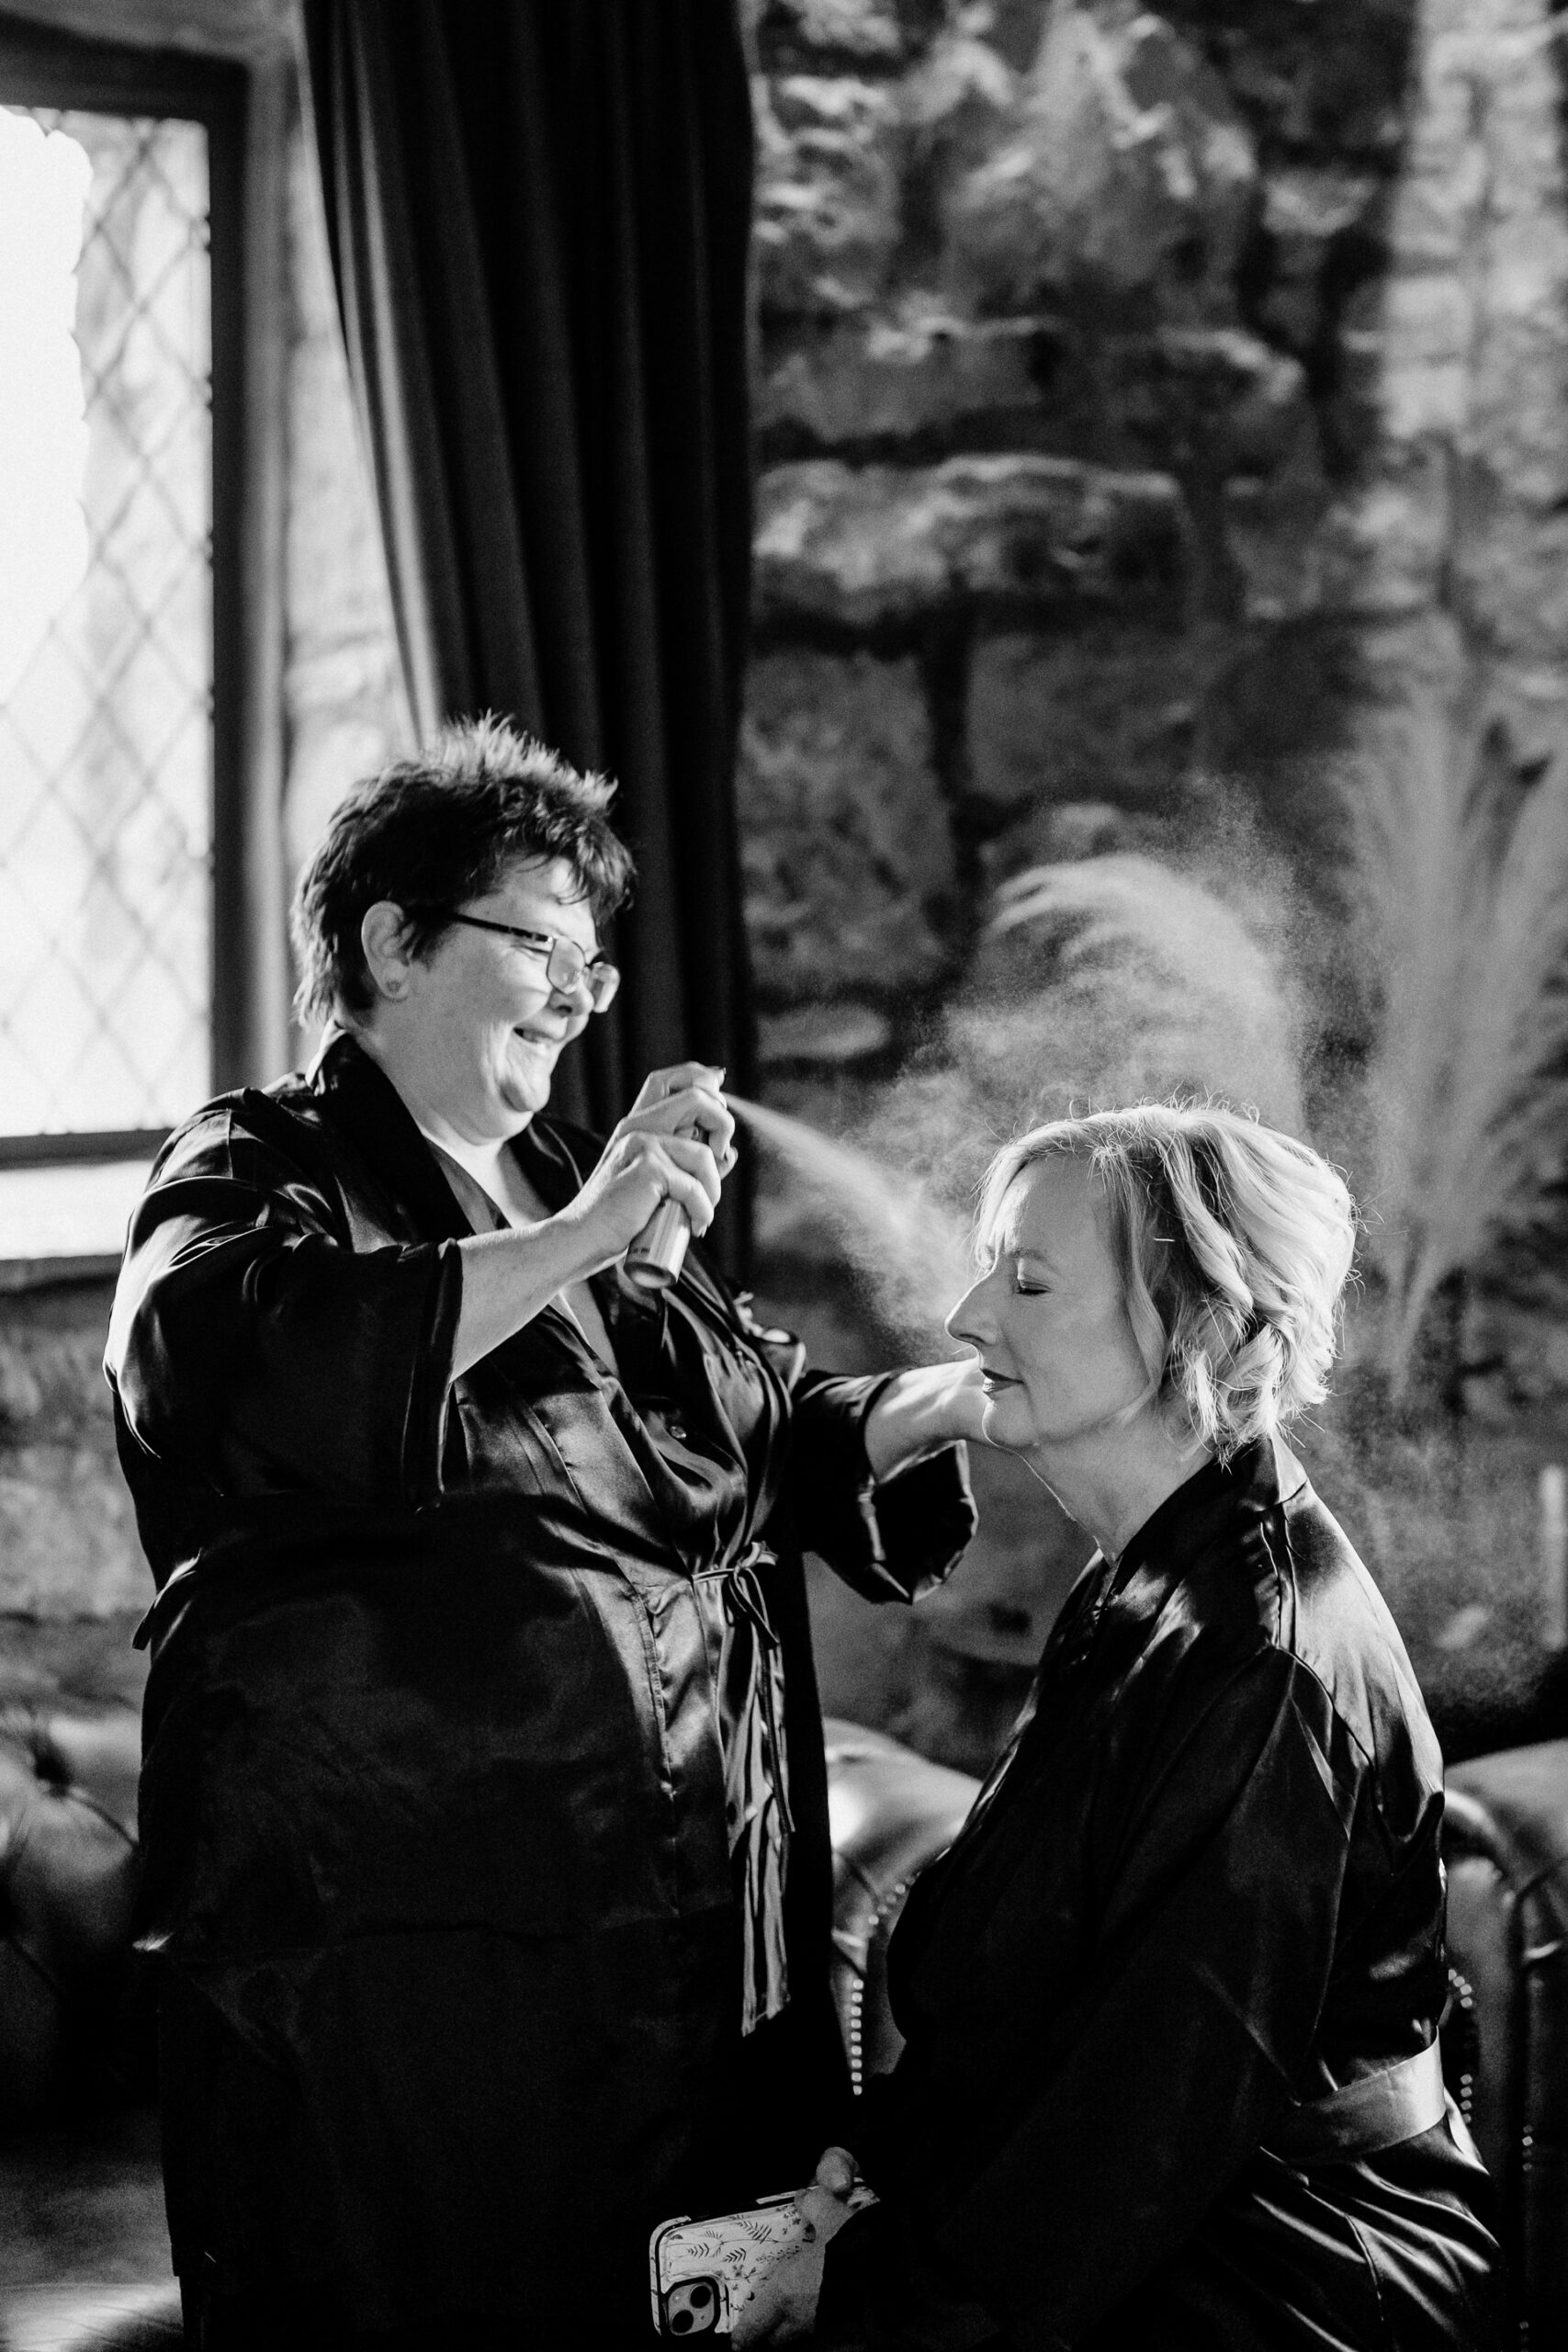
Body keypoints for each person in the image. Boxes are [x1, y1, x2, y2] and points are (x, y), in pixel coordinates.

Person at [105, 718, 983, 2349]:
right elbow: (233, 1364)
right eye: (540, 946)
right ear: (395, 942)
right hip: (409, 1961)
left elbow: (741, 1440)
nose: (585, 993)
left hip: (689, 1919)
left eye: (595, 958)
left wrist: (934, 1405)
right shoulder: (260, 1165)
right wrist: (583, 1242)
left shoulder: (575, 1179)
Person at [740, 1103, 1504, 2351]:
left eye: (1030, 1281)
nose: (969, 1317)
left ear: (1194, 1329)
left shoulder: (1264, 1668)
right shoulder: (1140, 1580)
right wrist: (873, 2180)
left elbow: (1133, 2125)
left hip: (1292, 2281)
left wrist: (866, 2292)